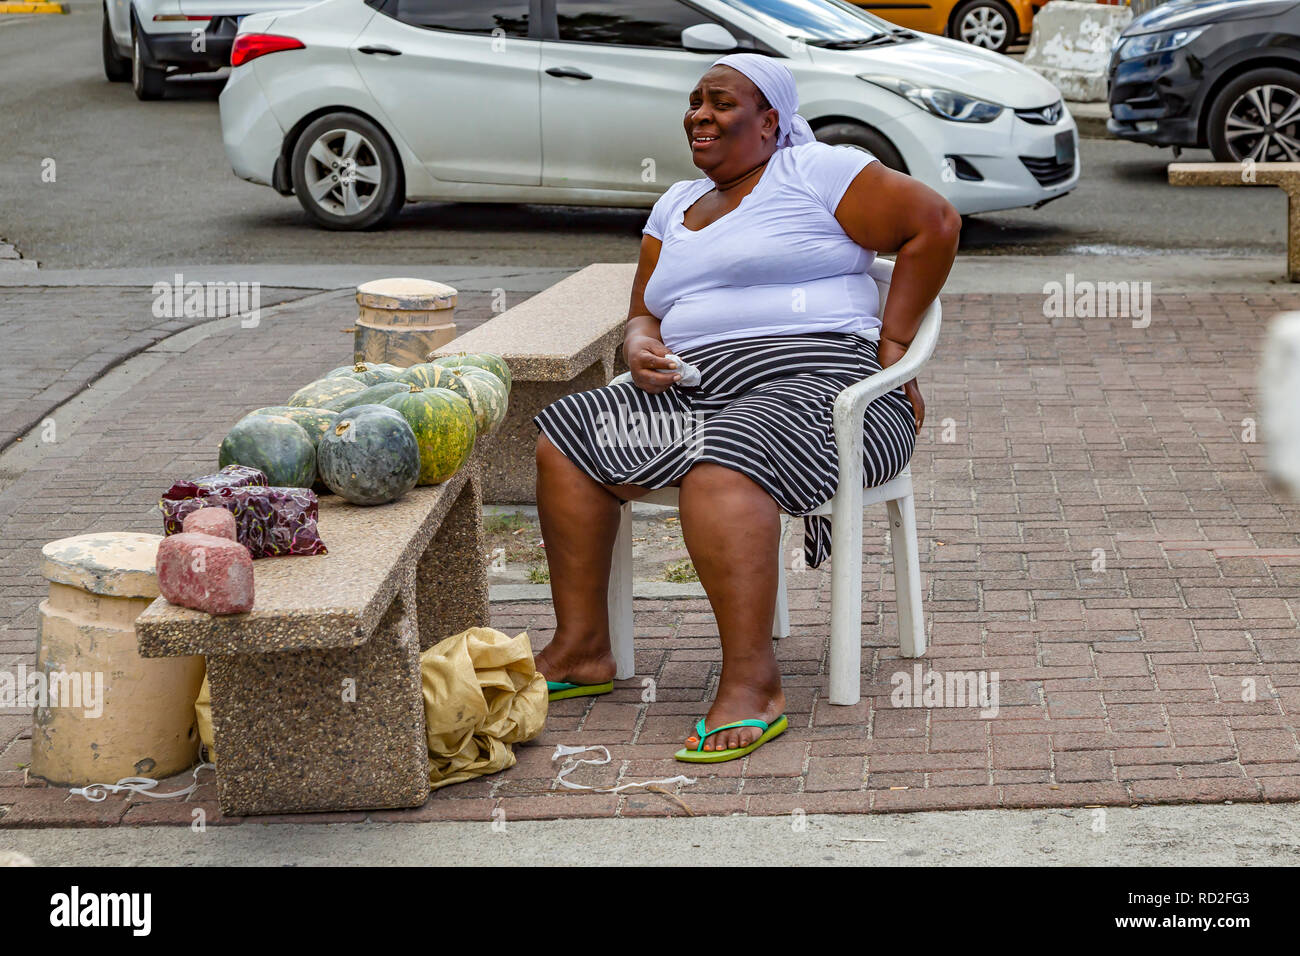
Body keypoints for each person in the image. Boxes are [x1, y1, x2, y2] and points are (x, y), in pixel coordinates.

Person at [532, 52, 960, 763]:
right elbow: (644, 311)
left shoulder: (816, 171)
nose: (699, 113)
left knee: (723, 457)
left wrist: (894, 346)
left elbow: (935, 224)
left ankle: (753, 684)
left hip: (828, 387)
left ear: (770, 122)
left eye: (721, 102)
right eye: (695, 101)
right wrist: (640, 344)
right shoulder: (674, 204)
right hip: (696, 385)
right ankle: (582, 649)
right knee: (569, 436)